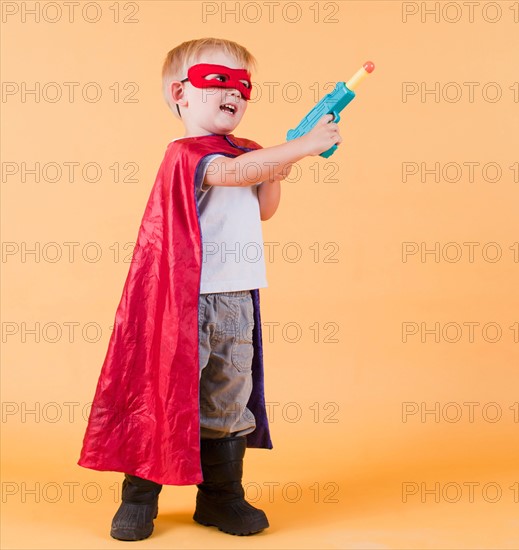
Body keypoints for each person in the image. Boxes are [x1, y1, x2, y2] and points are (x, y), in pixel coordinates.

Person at [78, 37, 342, 541]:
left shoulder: (248, 152)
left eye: (244, 86)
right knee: (162, 394)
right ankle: (139, 497)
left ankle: (221, 496)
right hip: (182, 301)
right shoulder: (186, 154)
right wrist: (301, 147)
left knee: (228, 396)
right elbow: (232, 174)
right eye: (219, 81)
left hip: (237, 296)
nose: (235, 93)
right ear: (180, 92)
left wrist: (285, 161)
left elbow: (263, 206)